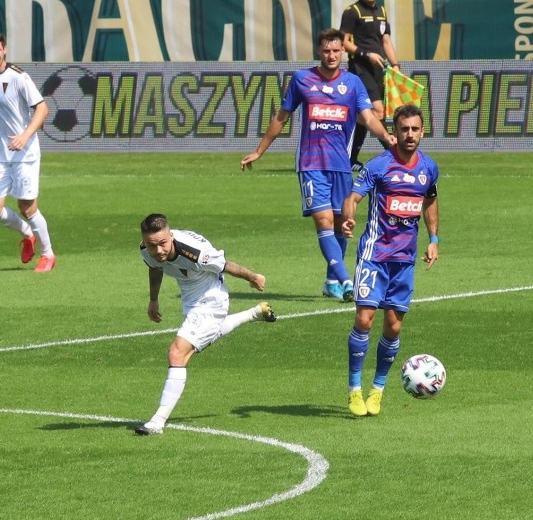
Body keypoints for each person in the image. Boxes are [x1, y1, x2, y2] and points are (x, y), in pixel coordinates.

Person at [240, 28, 395, 303]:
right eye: (327, 51)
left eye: (336, 50)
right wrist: (259, 151)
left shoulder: (353, 83)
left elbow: (368, 118)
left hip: (341, 165)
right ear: (318, 51)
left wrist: (386, 136)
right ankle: (347, 280)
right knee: (322, 220)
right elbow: (282, 117)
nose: (332, 55)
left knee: (341, 223)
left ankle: (331, 281)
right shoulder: (302, 79)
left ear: (341, 51)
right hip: (311, 163)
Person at [136, 213, 277, 435]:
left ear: (170, 236)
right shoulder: (147, 250)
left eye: (163, 243)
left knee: (177, 353)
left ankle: (157, 421)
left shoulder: (194, 253)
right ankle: (254, 314)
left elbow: (225, 266)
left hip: (212, 299)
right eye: (153, 245)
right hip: (189, 296)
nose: (159, 250)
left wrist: (253, 276)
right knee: (198, 342)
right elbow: (154, 266)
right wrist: (153, 299)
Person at [340, 104, 439, 417]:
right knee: (364, 319)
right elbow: (352, 197)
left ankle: (377, 390)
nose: (409, 135)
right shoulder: (378, 166)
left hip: (404, 260)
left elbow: (431, 200)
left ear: (422, 132)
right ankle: (355, 389)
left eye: (414, 129)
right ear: (394, 132)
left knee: (394, 326)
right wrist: (348, 219)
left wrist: (434, 239)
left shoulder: (428, 168)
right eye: (403, 129)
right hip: (374, 255)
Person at [0, 31, 56, 272]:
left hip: (25, 153)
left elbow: (42, 109)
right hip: (0, 154)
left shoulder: (19, 77)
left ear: (5, 50)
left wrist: (24, 136)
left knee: (27, 207)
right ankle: (28, 235)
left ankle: (48, 254)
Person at [340, 0, 400, 172]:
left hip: (378, 70)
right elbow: (343, 42)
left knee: (363, 115)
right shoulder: (352, 11)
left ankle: (350, 158)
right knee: (377, 110)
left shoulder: (381, 10)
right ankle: (395, 153)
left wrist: (395, 64)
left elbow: (386, 40)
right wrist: (366, 54)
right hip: (360, 68)